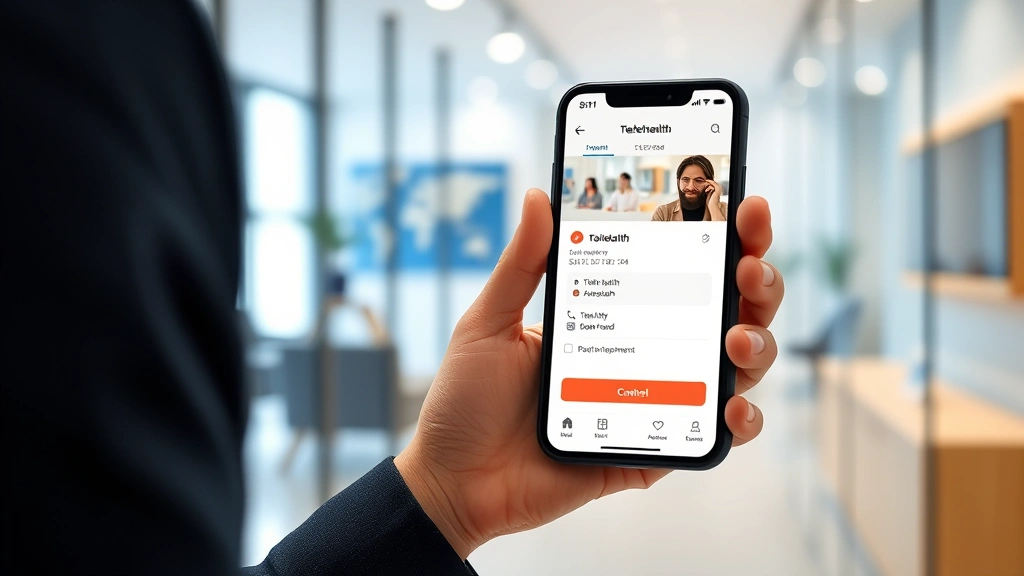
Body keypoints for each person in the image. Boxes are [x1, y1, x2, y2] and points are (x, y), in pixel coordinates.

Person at [2, 2, 784, 574]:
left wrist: (441, 493)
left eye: (695, 171)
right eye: (681, 172)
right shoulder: (91, 42)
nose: (685, 180)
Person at [652, 155, 728, 221]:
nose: (690, 187)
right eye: (685, 180)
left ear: (710, 183)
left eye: (698, 181)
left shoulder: (725, 210)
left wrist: (713, 206)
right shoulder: (662, 213)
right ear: (678, 182)